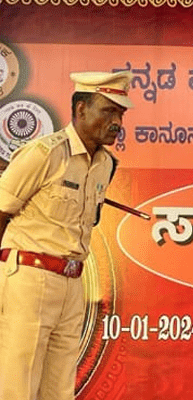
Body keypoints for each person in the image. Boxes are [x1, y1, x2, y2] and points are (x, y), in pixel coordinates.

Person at [0, 71, 132, 400]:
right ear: (81, 109)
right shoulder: (44, 153)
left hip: (73, 282)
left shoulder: (105, 164)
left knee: (59, 388)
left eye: (120, 114)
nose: (117, 122)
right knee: (19, 383)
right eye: (108, 111)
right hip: (29, 277)